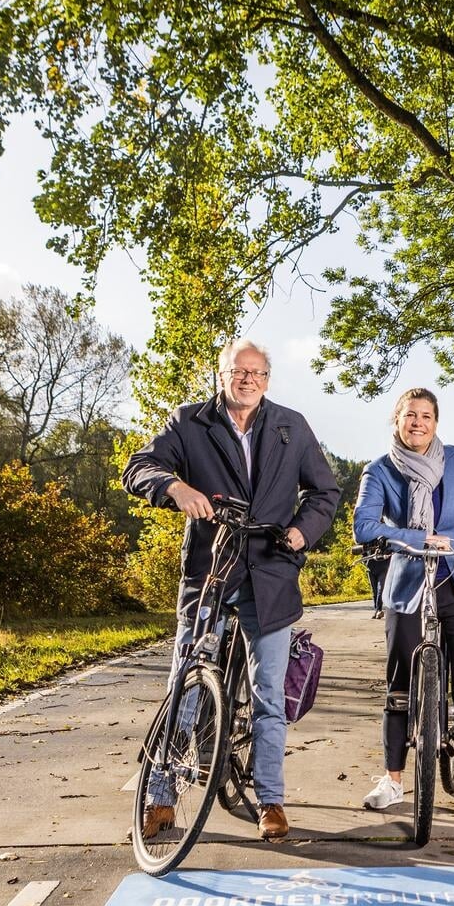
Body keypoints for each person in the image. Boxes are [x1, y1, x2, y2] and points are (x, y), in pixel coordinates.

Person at [122, 339, 341, 842]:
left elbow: (325, 491)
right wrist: (174, 488)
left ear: (267, 379)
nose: (247, 380)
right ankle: (161, 796)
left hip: (271, 571)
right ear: (220, 375)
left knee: (269, 696)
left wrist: (302, 531)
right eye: (238, 371)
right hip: (210, 569)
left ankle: (270, 799)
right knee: (186, 684)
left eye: (257, 373)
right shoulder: (190, 422)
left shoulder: (292, 425)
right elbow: (139, 468)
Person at [352, 388, 454, 826]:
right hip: (410, 581)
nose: (417, 422)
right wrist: (419, 537)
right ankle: (392, 779)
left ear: (436, 423)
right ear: (397, 420)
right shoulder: (380, 470)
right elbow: (365, 526)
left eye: (426, 416)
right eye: (410, 415)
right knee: (399, 688)